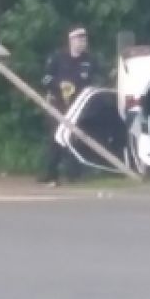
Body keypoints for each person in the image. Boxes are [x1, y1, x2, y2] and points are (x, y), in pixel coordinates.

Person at [37, 26, 100, 185]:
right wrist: (59, 85)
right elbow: (45, 79)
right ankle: (51, 174)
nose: (82, 43)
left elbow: (97, 80)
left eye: (84, 39)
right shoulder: (58, 58)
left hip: (80, 107)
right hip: (59, 105)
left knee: (77, 139)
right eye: (79, 39)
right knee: (56, 139)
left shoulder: (90, 60)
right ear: (71, 41)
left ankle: (74, 174)